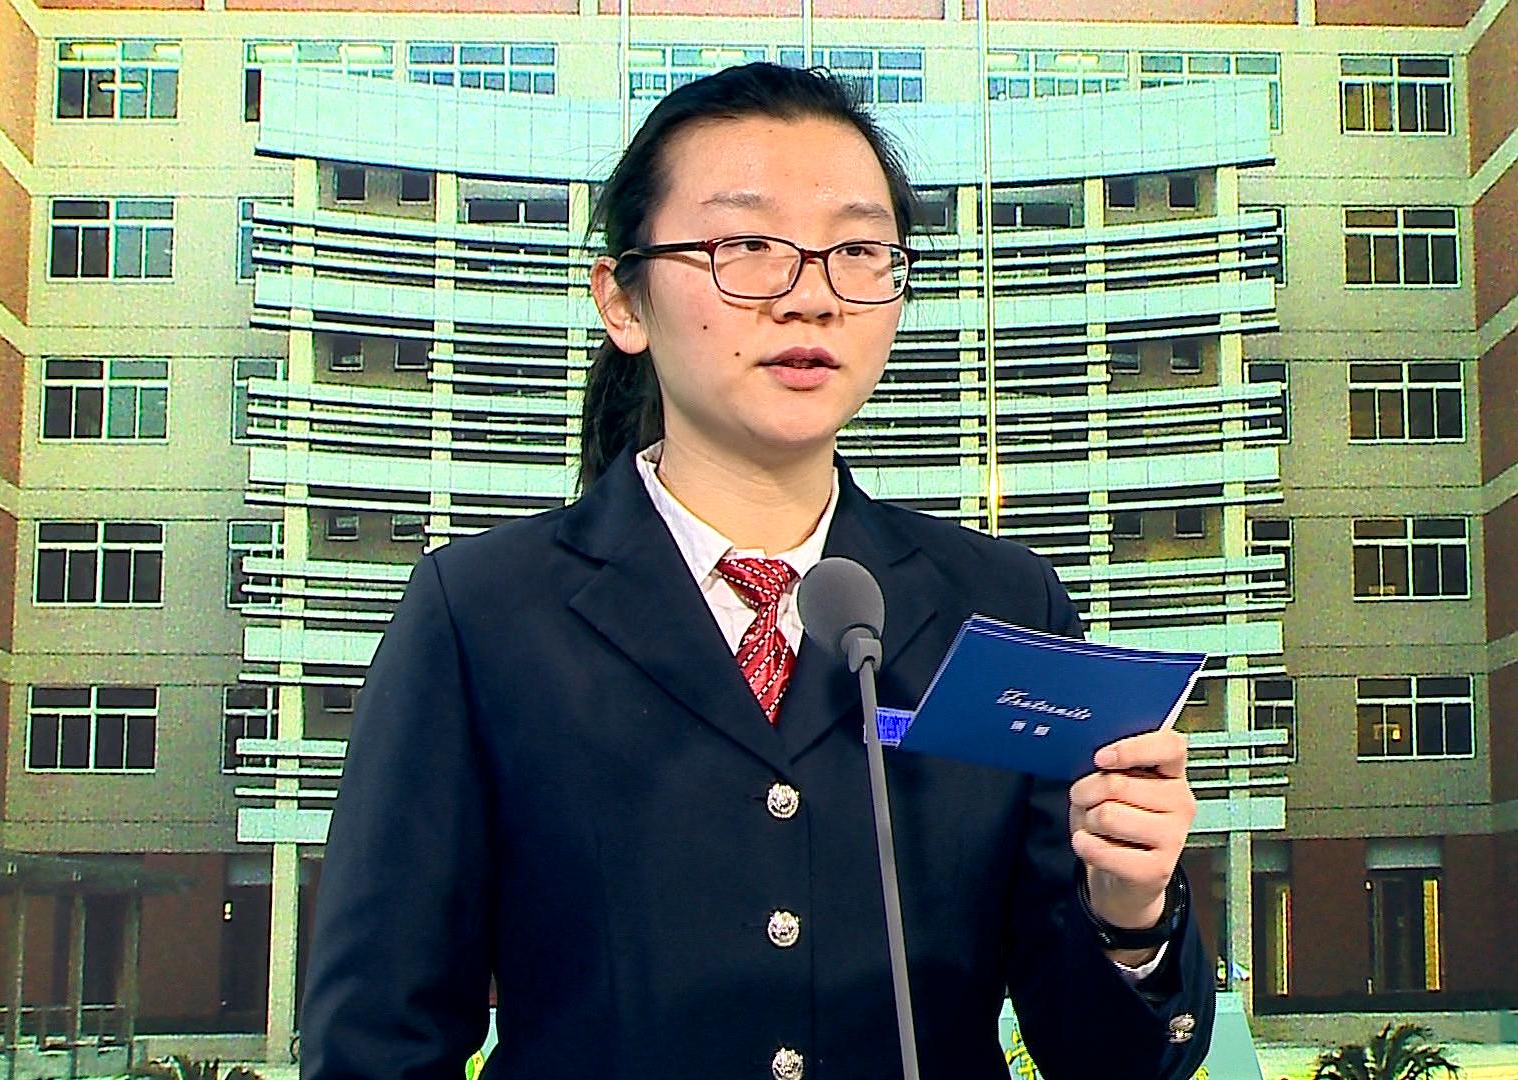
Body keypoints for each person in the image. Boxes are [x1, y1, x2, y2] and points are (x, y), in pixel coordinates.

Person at [298, 62, 1215, 1080]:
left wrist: (1129, 914)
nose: (810, 297)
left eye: (857, 251)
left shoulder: (1000, 606)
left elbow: (1110, 1064)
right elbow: (376, 1040)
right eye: (746, 247)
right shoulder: (482, 615)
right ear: (624, 301)